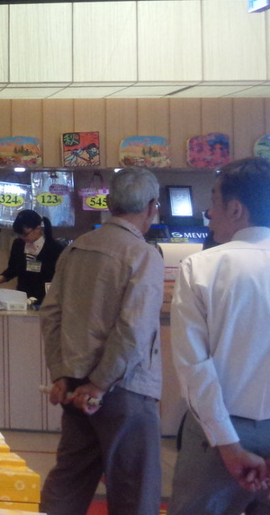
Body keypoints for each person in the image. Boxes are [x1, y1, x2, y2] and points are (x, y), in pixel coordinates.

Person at [168, 157, 270, 514]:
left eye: (214, 201)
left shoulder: (200, 267)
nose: (209, 213)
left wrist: (228, 446)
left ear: (235, 209)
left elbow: (193, 367)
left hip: (215, 435)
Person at [39, 167, 165, 515]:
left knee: (68, 482)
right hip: (126, 389)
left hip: (73, 384)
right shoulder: (144, 255)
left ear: (109, 204)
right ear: (152, 207)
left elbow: (50, 314)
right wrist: (99, 383)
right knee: (134, 490)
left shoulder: (76, 248)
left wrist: (61, 374)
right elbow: (134, 330)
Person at [0, 209, 66, 305]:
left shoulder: (54, 248)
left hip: (46, 299)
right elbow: (12, 270)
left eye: (25, 234)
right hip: (22, 298)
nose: (22, 237)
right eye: (19, 234)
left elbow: (61, 277)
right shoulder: (18, 244)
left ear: (37, 229)